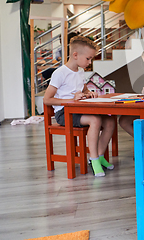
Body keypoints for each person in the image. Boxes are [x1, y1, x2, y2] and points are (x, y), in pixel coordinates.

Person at [43, 36, 116, 177]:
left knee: (110, 121)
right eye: (88, 58)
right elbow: (47, 99)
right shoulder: (60, 73)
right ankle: (93, 159)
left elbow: (83, 90)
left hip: (79, 110)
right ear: (75, 55)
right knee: (95, 120)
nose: (90, 62)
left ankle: (100, 155)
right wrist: (71, 100)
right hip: (64, 113)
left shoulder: (80, 71)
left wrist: (89, 93)